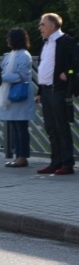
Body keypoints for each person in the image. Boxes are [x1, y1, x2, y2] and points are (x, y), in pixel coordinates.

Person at [35, 13, 76, 175]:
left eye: (42, 24)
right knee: (51, 128)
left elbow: (76, 62)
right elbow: (44, 67)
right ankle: (55, 162)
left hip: (57, 90)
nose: (40, 28)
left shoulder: (66, 41)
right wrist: (39, 91)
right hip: (46, 90)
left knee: (61, 127)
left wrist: (68, 73)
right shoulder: (45, 43)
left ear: (52, 26)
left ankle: (67, 163)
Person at [0, 28, 35, 168]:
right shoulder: (9, 55)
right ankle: (18, 156)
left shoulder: (24, 55)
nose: (7, 40)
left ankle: (22, 157)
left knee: (21, 127)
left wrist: (2, 77)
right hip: (10, 95)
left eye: (9, 37)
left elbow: (22, 75)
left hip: (19, 94)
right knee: (15, 127)